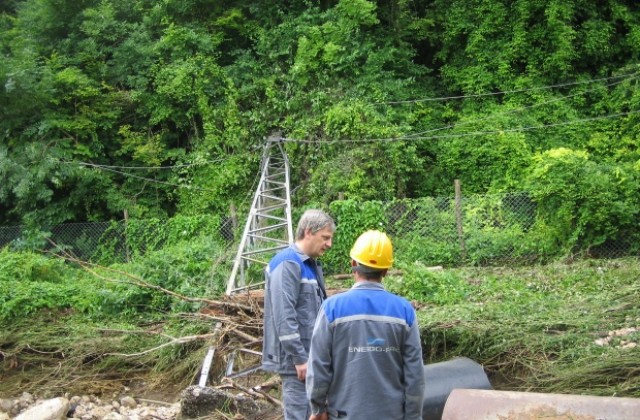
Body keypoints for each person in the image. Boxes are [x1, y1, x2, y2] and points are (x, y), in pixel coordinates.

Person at [306, 230, 425, 420]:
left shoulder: (332, 308)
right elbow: (414, 374)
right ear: (386, 271)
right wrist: (413, 416)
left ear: (353, 264)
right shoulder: (405, 311)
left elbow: (318, 365)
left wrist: (317, 407)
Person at [262, 209, 336, 420]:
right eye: (325, 237)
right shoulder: (288, 263)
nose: (329, 244)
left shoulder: (310, 266)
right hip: (298, 365)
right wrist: (299, 358)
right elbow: (284, 316)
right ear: (307, 232)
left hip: (312, 360)